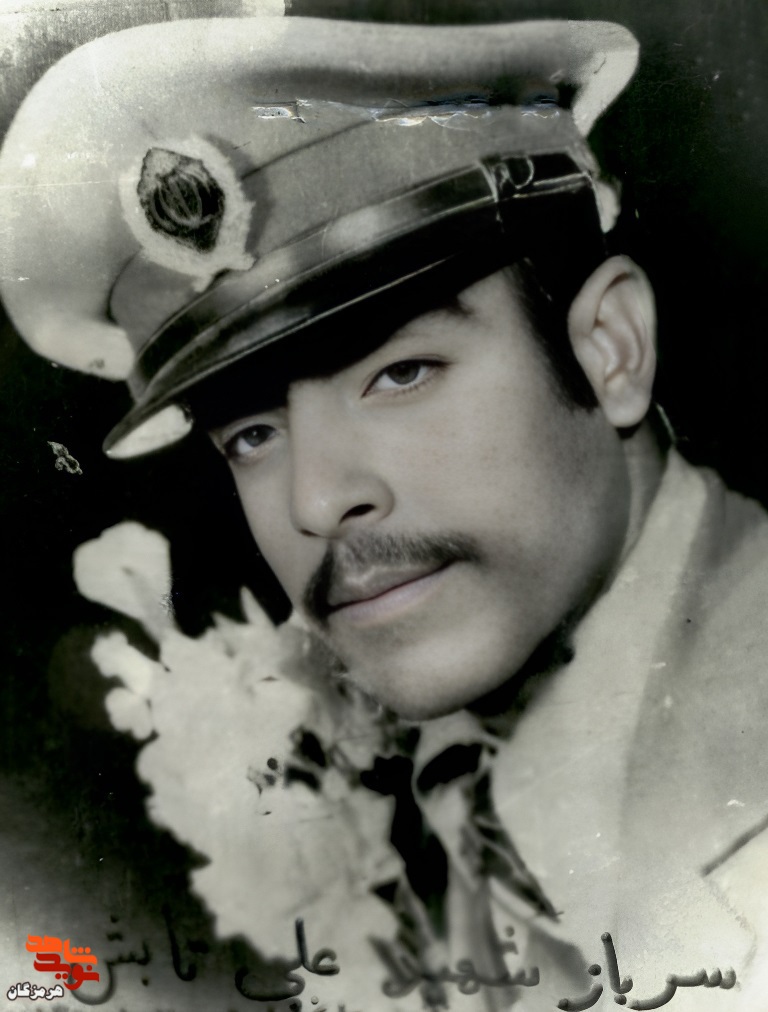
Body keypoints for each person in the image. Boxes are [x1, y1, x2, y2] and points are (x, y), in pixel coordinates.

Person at [2, 11, 768, 1011]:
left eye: (400, 374)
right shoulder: (445, 785)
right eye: (251, 435)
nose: (317, 501)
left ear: (610, 350)